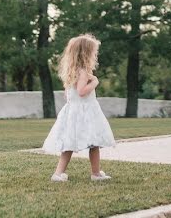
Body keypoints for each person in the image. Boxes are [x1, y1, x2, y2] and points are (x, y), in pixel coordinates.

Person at [43, 34, 116, 182]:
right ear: (86, 53)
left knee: (72, 143)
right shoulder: (83, 72)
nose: (95, 55)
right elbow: (82, 92)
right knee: (93, 143)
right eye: (93, 52)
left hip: (75, 111)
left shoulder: (72, 72)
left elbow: (69, 94)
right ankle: (93, 174)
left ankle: (61, 173)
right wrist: (95, 82)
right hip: (85, 112)